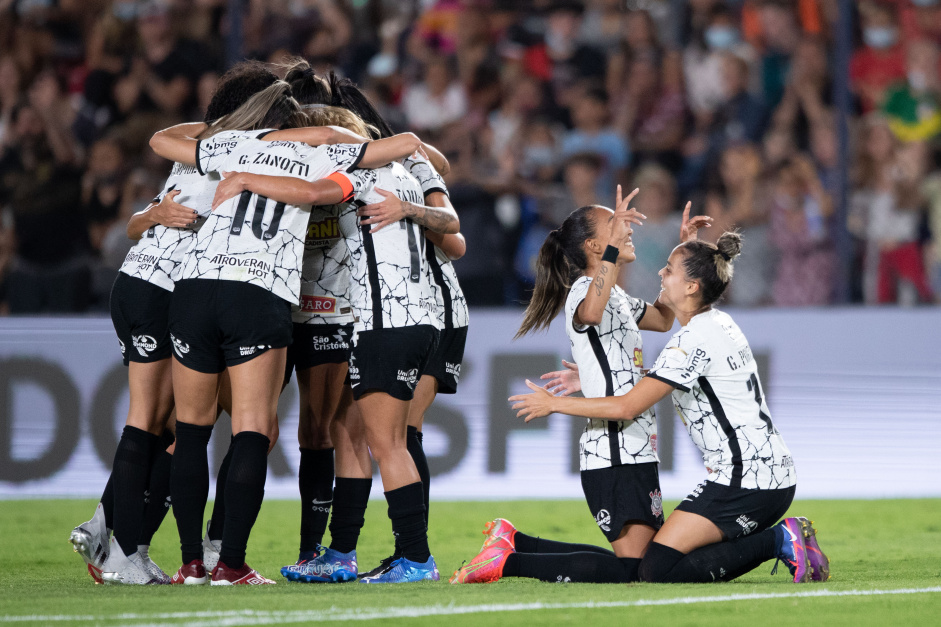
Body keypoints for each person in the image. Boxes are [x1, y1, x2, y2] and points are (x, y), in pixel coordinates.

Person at [186, 104, 458, 584]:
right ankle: (353, 552)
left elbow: (313, 190)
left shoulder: (365, 174)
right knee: (356, 432)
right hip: (419, 319)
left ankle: (415, 557)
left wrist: (248, 178)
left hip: (385, 320)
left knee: (387, 443)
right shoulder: (408, 177)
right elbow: (449, 222)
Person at [505, 231, 830, 585]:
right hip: (764, 473)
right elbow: (678, 376)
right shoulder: (717, 324)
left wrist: (554, 404)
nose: (660, 273)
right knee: (655, 562)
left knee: (656, 569)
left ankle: (780, 540)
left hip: (746, 479)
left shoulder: (692, 340)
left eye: (670, 270)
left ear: (691, 287)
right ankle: (781, 539)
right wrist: (592, 377)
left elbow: (629, 406)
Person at [68, 61, 281, 586]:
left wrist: (152, 217)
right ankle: (120, 543)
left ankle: (115, 532)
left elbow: (137, 221)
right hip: (166, 289)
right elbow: (146, 220)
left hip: (139, 283)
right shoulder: (237, 156)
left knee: (164, 424)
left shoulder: (199, 150)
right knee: (164, 423)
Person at [452, 190, 701, 585]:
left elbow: (663, 318)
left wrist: (684, 254)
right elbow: (590, 312)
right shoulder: (585, 291)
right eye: (614, 227)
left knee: (639, 568)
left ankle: (513, 543)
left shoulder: (616, 295)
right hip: (615, 450)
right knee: (635, 572)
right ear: (594, 246)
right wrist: (614, 253)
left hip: (635, 445)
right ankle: (508, 562)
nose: (627, 231)